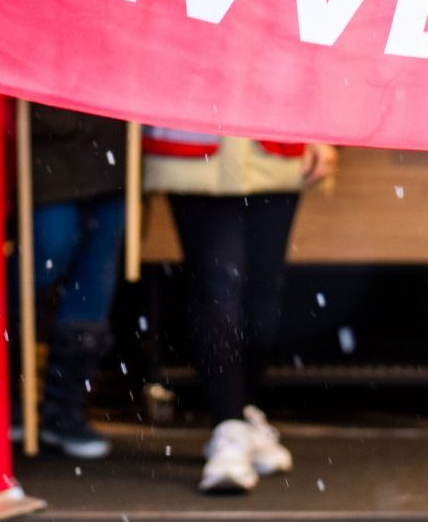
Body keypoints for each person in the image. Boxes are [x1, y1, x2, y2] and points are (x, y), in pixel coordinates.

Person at [142, 128, 335, 493]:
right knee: (217, 287)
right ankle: (228, 424)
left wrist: (320, 131)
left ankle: (241, 415)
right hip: (197, 138)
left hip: (276, 139)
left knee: (263, 292)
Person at [18, 103, 127, 459]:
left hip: (110, 134)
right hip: (47, 134)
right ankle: (9, 388)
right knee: (49, 252)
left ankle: (65, 406)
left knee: (95, 271)